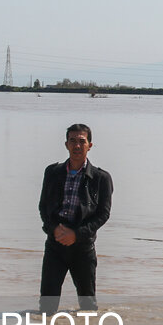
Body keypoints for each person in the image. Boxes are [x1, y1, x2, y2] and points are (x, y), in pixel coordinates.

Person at [38, 123, 113, 313]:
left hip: (83, 247)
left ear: (90, 145)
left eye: (82, 141)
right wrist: (54, 230)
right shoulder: (52, 172)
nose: (77, 146)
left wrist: (76, 234)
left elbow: (103, 214)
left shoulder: (101, 178)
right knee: (46, 309)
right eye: (73, 141)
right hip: (55, 245)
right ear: (66, 144)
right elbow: (43, 207)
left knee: (88, 308)